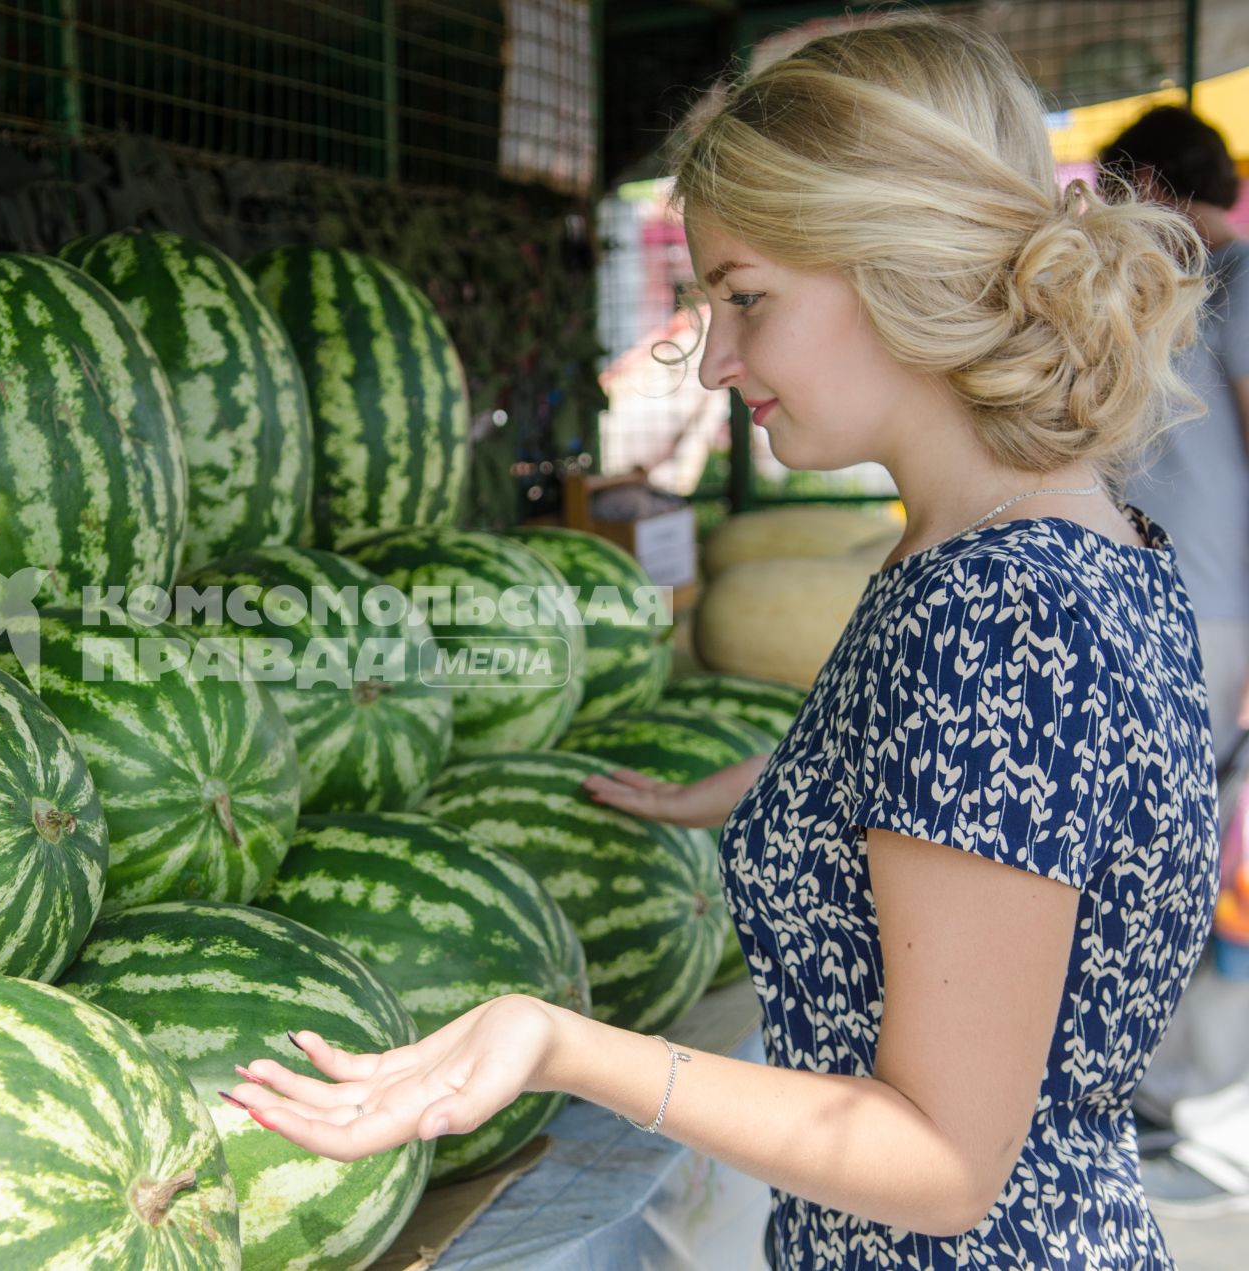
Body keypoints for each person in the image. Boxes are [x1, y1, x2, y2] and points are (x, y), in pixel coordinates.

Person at [222, 15, 1219, 1270]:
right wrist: (782, 784)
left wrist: (558, 1040)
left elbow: (944, 1163)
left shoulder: (989, 614)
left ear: (898, 259)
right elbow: (1038, 804)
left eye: (745, 297)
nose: (716, 363)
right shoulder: (1087, 542)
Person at [1097, 103, 1249, 1212]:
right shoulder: (1162, 280)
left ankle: (1185, 1088)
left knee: (1197, 846)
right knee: (1167, 837)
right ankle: (1158, 1079)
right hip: (1167, 604)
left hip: (1216, 610)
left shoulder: (1235, 276)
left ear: (1145, 181)